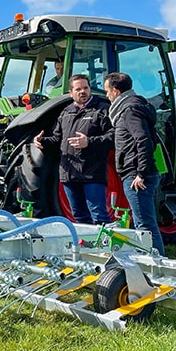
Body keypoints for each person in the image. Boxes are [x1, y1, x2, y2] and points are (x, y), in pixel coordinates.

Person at [33, 74, 113, 225]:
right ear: (71, 93)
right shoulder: (65, 112)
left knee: (99, 217)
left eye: (85, 88)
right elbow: (57, 139)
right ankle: (88, 248)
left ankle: (108, 248)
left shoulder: (102, 110)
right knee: (79, 217)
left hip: (92, 173)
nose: (83, 92)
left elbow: (113, 136)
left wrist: (88, 142)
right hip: (69, 174)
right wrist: (42, 141)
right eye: (78, 89)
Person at [103, 72, 165, 255]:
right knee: (143, 222)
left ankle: (158, 263)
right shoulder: (131, 108)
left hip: (136, 176)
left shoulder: (129, 110)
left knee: (145, 224)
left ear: (115, 91)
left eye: (107, 91)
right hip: (134, 172)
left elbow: (144, 140)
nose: (106, 96)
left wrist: (141, 173)